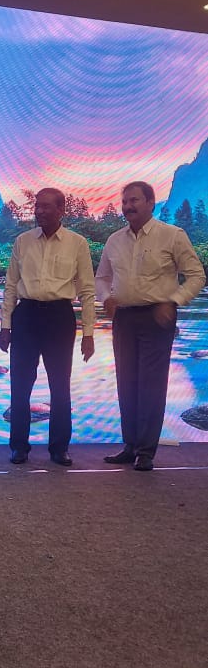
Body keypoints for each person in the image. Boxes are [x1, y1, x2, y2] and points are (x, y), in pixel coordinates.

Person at [96, 180, 205, 471]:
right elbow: (102, 278)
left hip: (158, 317)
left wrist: (173, 301)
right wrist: (106, 298)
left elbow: (196, 276)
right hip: (124, 318)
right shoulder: (114, 240)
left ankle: (146, 451)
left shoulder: (172, 235)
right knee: (126, 383)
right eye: (124, 202)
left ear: (150, 203)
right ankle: (130, 446)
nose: (127, 206)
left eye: (134, 200)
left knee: (152, 385)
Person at [0, 187, 95, 466]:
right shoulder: (23, 241)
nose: (38, 211)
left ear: (61, 210)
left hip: (59, 317)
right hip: (26, 315)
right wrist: (5, 326)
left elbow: (87, 290)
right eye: (37, 206)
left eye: (45, 206)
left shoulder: (77, 243)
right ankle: (19, 447)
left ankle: (59, 448)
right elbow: (11, 286)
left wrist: (88, 333)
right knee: (20, 384)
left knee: (60, 385)